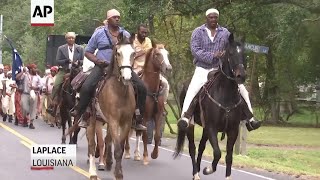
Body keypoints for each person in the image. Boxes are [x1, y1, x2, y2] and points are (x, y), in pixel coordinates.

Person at [177, 8, 261, 131]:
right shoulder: (198, 32)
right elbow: (195, 50)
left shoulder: (225, 33)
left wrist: (229, 54)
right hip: (202, 68)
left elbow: (231, 48)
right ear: (206, 18)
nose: (213, 19)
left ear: (218, 18)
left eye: (215, 17)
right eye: (211, 17)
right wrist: (212, 56)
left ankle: (250, 119)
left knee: (242, 90)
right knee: (193, 90)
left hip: (220, 69)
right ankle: (185, 117)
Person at [70, 9, 147, 131]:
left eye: (118, 17)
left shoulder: (125, 34)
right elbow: (88, 52)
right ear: (108, 19)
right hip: (102, 67)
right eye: (114, 17)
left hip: (122, 67)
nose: (117, 19)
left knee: (142, 88)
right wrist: (97, 61)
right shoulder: (99, 33)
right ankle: (83, 114)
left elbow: (132, 52)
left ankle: (137, 117)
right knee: (87, 86)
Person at [46, 32, 84, 117]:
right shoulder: (61, 48)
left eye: (72, 38)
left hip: (77, 71)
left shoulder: (80, 48)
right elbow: (58, 60)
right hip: (64, 70)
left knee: (85, 85)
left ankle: (84, 105)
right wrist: (66, 61)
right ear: (66, 39)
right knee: (56, 85)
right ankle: (52, 105)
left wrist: (78, 62)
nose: (71, 39)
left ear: (74, 39)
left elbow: (83, 60)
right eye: (69, 38)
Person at [16, 64, 42, 129]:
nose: (36, 69)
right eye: (34, 68)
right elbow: (17, 78)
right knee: (24, 107)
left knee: (33, 109)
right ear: (30, 69)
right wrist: (23, 71)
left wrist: (35, 87)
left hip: (34, 94)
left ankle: (31, 123)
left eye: (36, 68)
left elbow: (41, 85)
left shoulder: (38, 77)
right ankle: (25, 116)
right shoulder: (25, 75)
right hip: (25, 93)